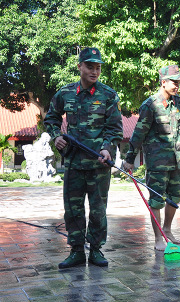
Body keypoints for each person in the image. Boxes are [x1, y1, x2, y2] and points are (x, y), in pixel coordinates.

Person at [44, 47, 123, 268]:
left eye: (97, 67)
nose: (94, 71)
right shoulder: (65, 93)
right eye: (90, 66)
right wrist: (56, 136)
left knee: (98, 210)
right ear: (79, 66)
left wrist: (107, 148)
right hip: (73, 163)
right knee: (73, 209)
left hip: (99, 165)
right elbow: (51, 118)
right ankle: (77, 251)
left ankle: (96, 250)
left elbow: (115, 129)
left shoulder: (108, 95)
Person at [123, 65, 180, 251]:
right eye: (174, 81)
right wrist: (130, 158)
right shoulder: (150, 105)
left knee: (175, 197)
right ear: (163, 82)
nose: (177, 85)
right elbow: (138, 133)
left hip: (174, 160)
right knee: (156, 200)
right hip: (157, 162)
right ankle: (158, 238)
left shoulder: (177, 101)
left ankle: (167, 229)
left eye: (178, 82)